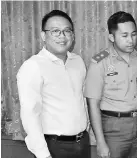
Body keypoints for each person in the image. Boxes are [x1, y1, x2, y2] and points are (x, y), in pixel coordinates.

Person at [17, 10, 90, 158]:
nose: (62, 36)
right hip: (54, 146)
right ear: (44, 35)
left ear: (73, 35)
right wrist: (43, 154)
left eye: (67, 31)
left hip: (82, 142)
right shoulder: (33, 66)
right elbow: (30, 114)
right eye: (55, 31)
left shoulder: (77, 61)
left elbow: (82, 99)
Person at [84, 11, 137, 158]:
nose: (131, 40)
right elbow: (92, 104)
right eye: (124, 36)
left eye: (134, 34)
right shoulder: (100, 63)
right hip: (114, 127)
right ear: (111, 37)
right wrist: (100, 142)